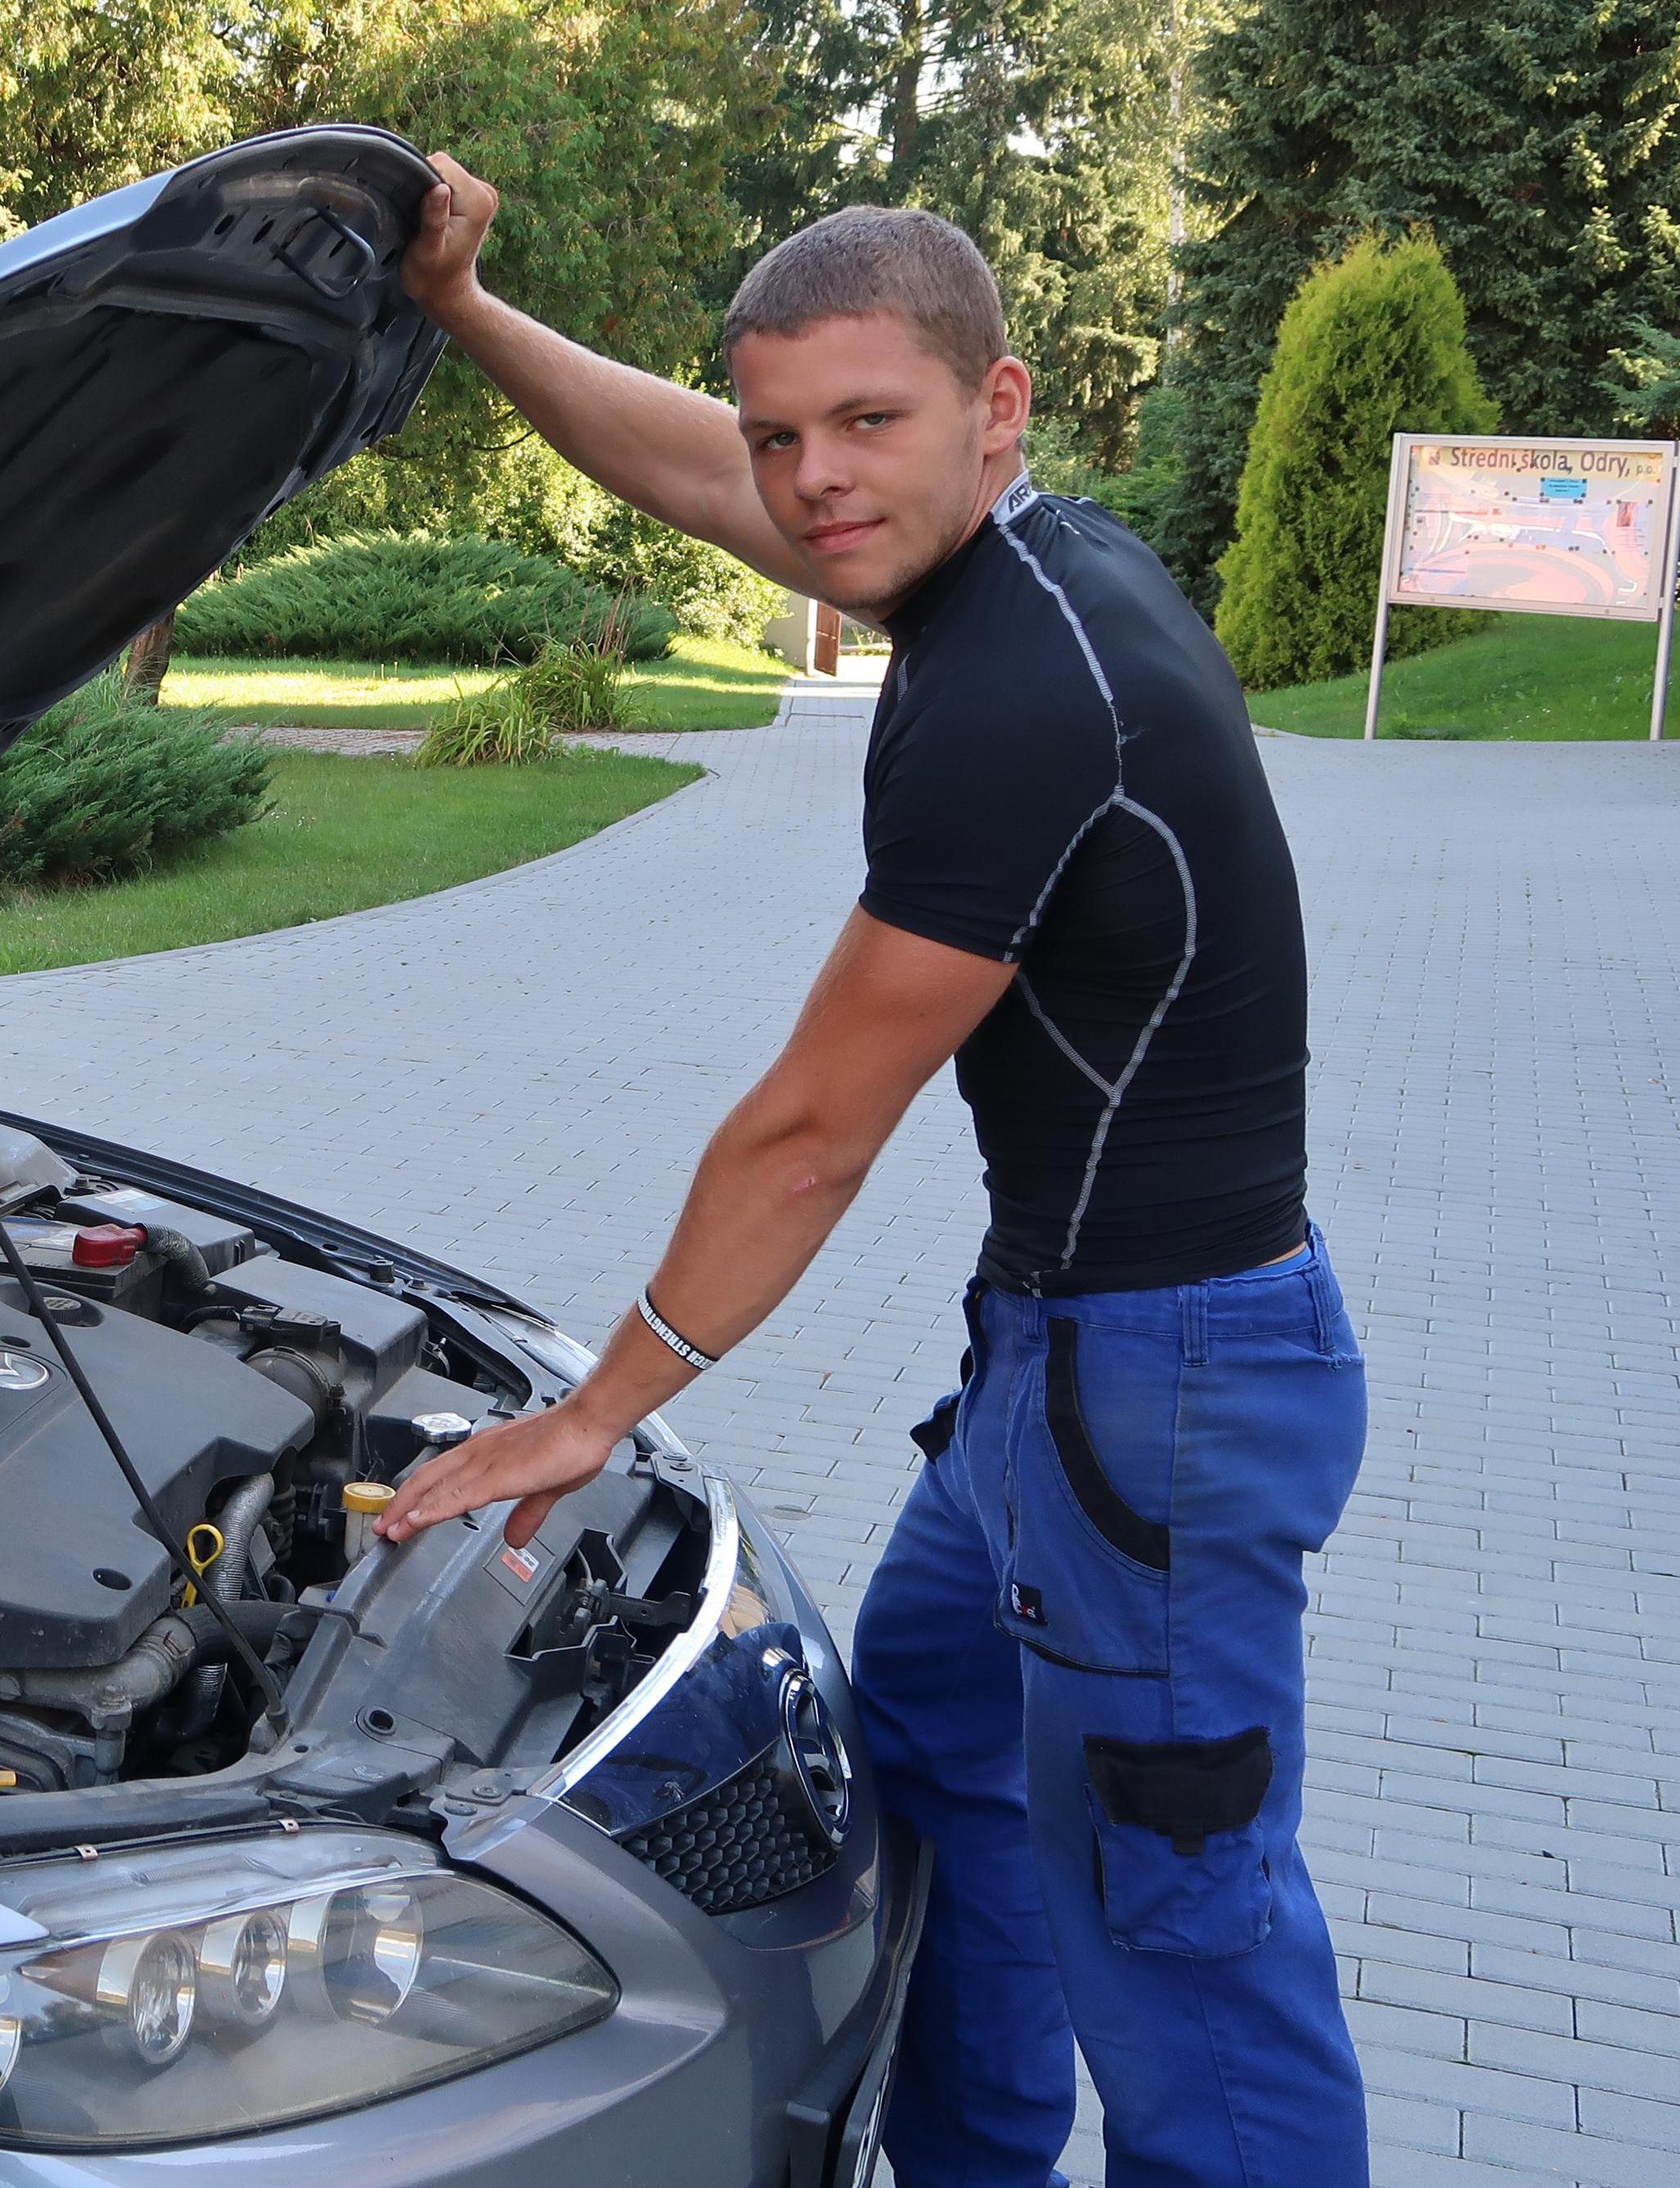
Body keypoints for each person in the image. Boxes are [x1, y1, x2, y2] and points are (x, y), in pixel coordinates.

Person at [373, 161, 1371, 2186]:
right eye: (780, 436)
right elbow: (685, 462)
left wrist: (596, 1414)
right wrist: (468, 311)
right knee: (927, 1743)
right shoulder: (1006, 560)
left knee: (1180, 1924)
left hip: (1156, 1404)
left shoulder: (1020, 690)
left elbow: (811, 1131)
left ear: (993, 410)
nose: (808, 481)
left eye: (864, 425)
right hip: (1053, 1373)